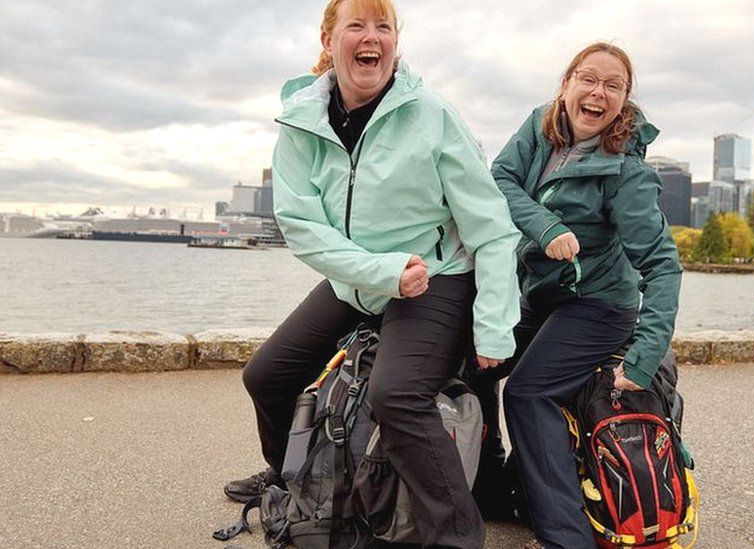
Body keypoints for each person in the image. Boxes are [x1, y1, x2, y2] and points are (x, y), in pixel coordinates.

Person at [223, 1, 521, 547]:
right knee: (266, 376)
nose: (372, 37)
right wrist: (379, 270)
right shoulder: (300, 122)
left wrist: (495, 322)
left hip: (437, 275)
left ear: (395, 43)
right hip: (363, 277)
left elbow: (493, 227)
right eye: (357, 25)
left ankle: (457, 534)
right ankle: (298, 480)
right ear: (328, 39)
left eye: (384, 27)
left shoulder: (433, 115)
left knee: (397, 396)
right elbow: (302, 226)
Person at [487, 42, 683, 549]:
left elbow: (662, 266)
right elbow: (500, 179)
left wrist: (644, 358)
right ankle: (492, 488)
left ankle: (566, 536)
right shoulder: (540, 126)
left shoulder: (627, 172)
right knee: (474, 362)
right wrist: (544, 225)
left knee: (528, 392)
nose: (597, 92)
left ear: (623, 100)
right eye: (588, 79)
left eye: (612, 85)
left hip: (599, 305)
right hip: (540, 295)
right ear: (567, 83)